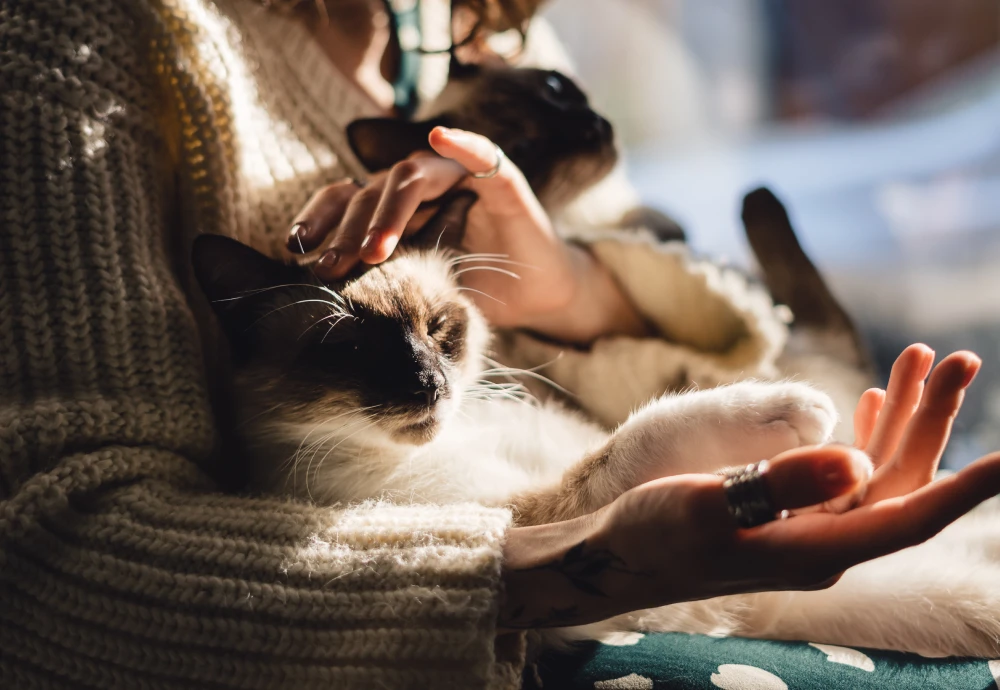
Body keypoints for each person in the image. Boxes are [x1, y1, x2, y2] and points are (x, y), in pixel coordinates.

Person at [2, 1, 999, 688]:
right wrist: (573, 560)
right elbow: (46, 568)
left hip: (692, 532)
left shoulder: (475, 22)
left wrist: (571, 288)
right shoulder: (86, 41)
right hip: (458, 629)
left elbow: (712, 333)